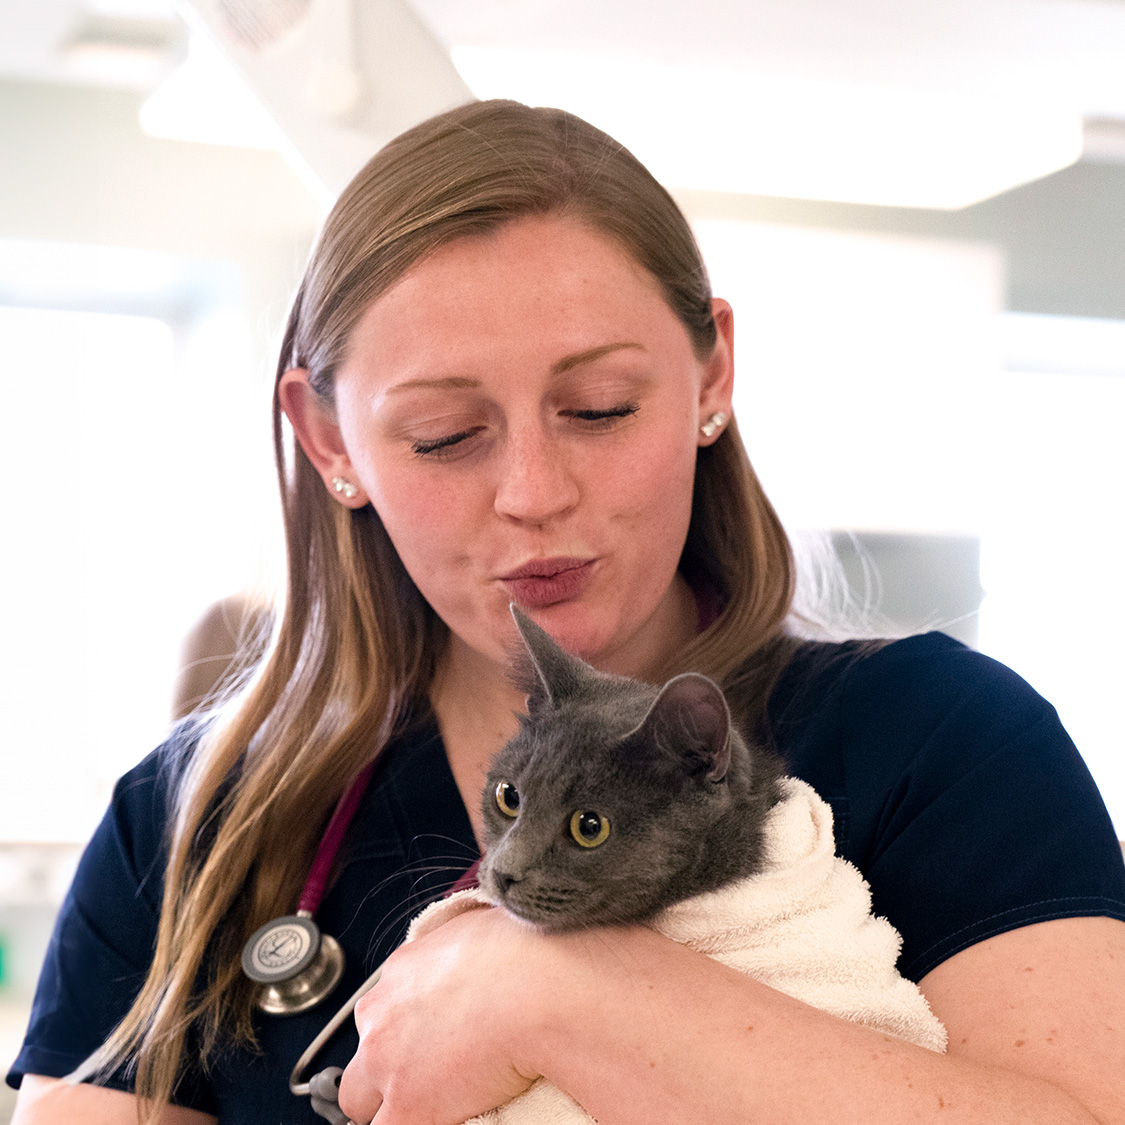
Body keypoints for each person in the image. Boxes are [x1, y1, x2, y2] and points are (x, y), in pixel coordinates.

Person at [8, 99, 1125, 1125]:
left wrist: (560, 995)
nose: (535, 494)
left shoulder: (941, 745)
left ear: (713, 375)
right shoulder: (194, 827)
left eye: (600, 408)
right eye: (445, 434)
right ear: (331, 441)